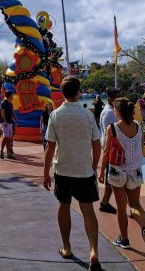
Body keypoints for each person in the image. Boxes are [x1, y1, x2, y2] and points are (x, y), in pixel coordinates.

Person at [43, 77, 102, 271]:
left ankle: (67, 247)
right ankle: (93, 251)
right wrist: (94, 166)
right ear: (78, 92)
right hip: (84, 170)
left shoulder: (55, 115)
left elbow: (50, 146)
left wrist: (45, 172)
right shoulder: (88, 115)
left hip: (63, 169)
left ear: (62, 93)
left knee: (64, 205)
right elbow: (96, 144)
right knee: (88, 210)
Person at [99, 98, 145, 252]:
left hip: (118, 171)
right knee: (135, 204)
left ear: (118, 112)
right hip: (135, 170)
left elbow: (106, 152)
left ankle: (124, 239)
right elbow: (141, 147)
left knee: (121, 206)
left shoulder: (113, 128)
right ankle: (144, 228)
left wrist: (102, 171)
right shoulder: (138, 126)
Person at [97, 87, 119, 215]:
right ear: (111, 99)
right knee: (112, 179)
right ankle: (105, 202)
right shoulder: (109, 113)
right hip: (112, 149)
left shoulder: (111, 111)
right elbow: (109, 133)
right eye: (118, 97)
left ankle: (105, 202)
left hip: (114, 149)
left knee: (112, 179)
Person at [0, 91, 18, 160]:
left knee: (10, 138)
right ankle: (1, 151)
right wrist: (5, 121)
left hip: (10, 122)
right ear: (9, 96)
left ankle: (9, 153)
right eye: (12, 95)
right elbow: (2, 112)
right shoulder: (4, 103)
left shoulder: (11, 103)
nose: (13, 96)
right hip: (5, 123)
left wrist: (16, 120)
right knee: (6, 137)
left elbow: (12, 112)